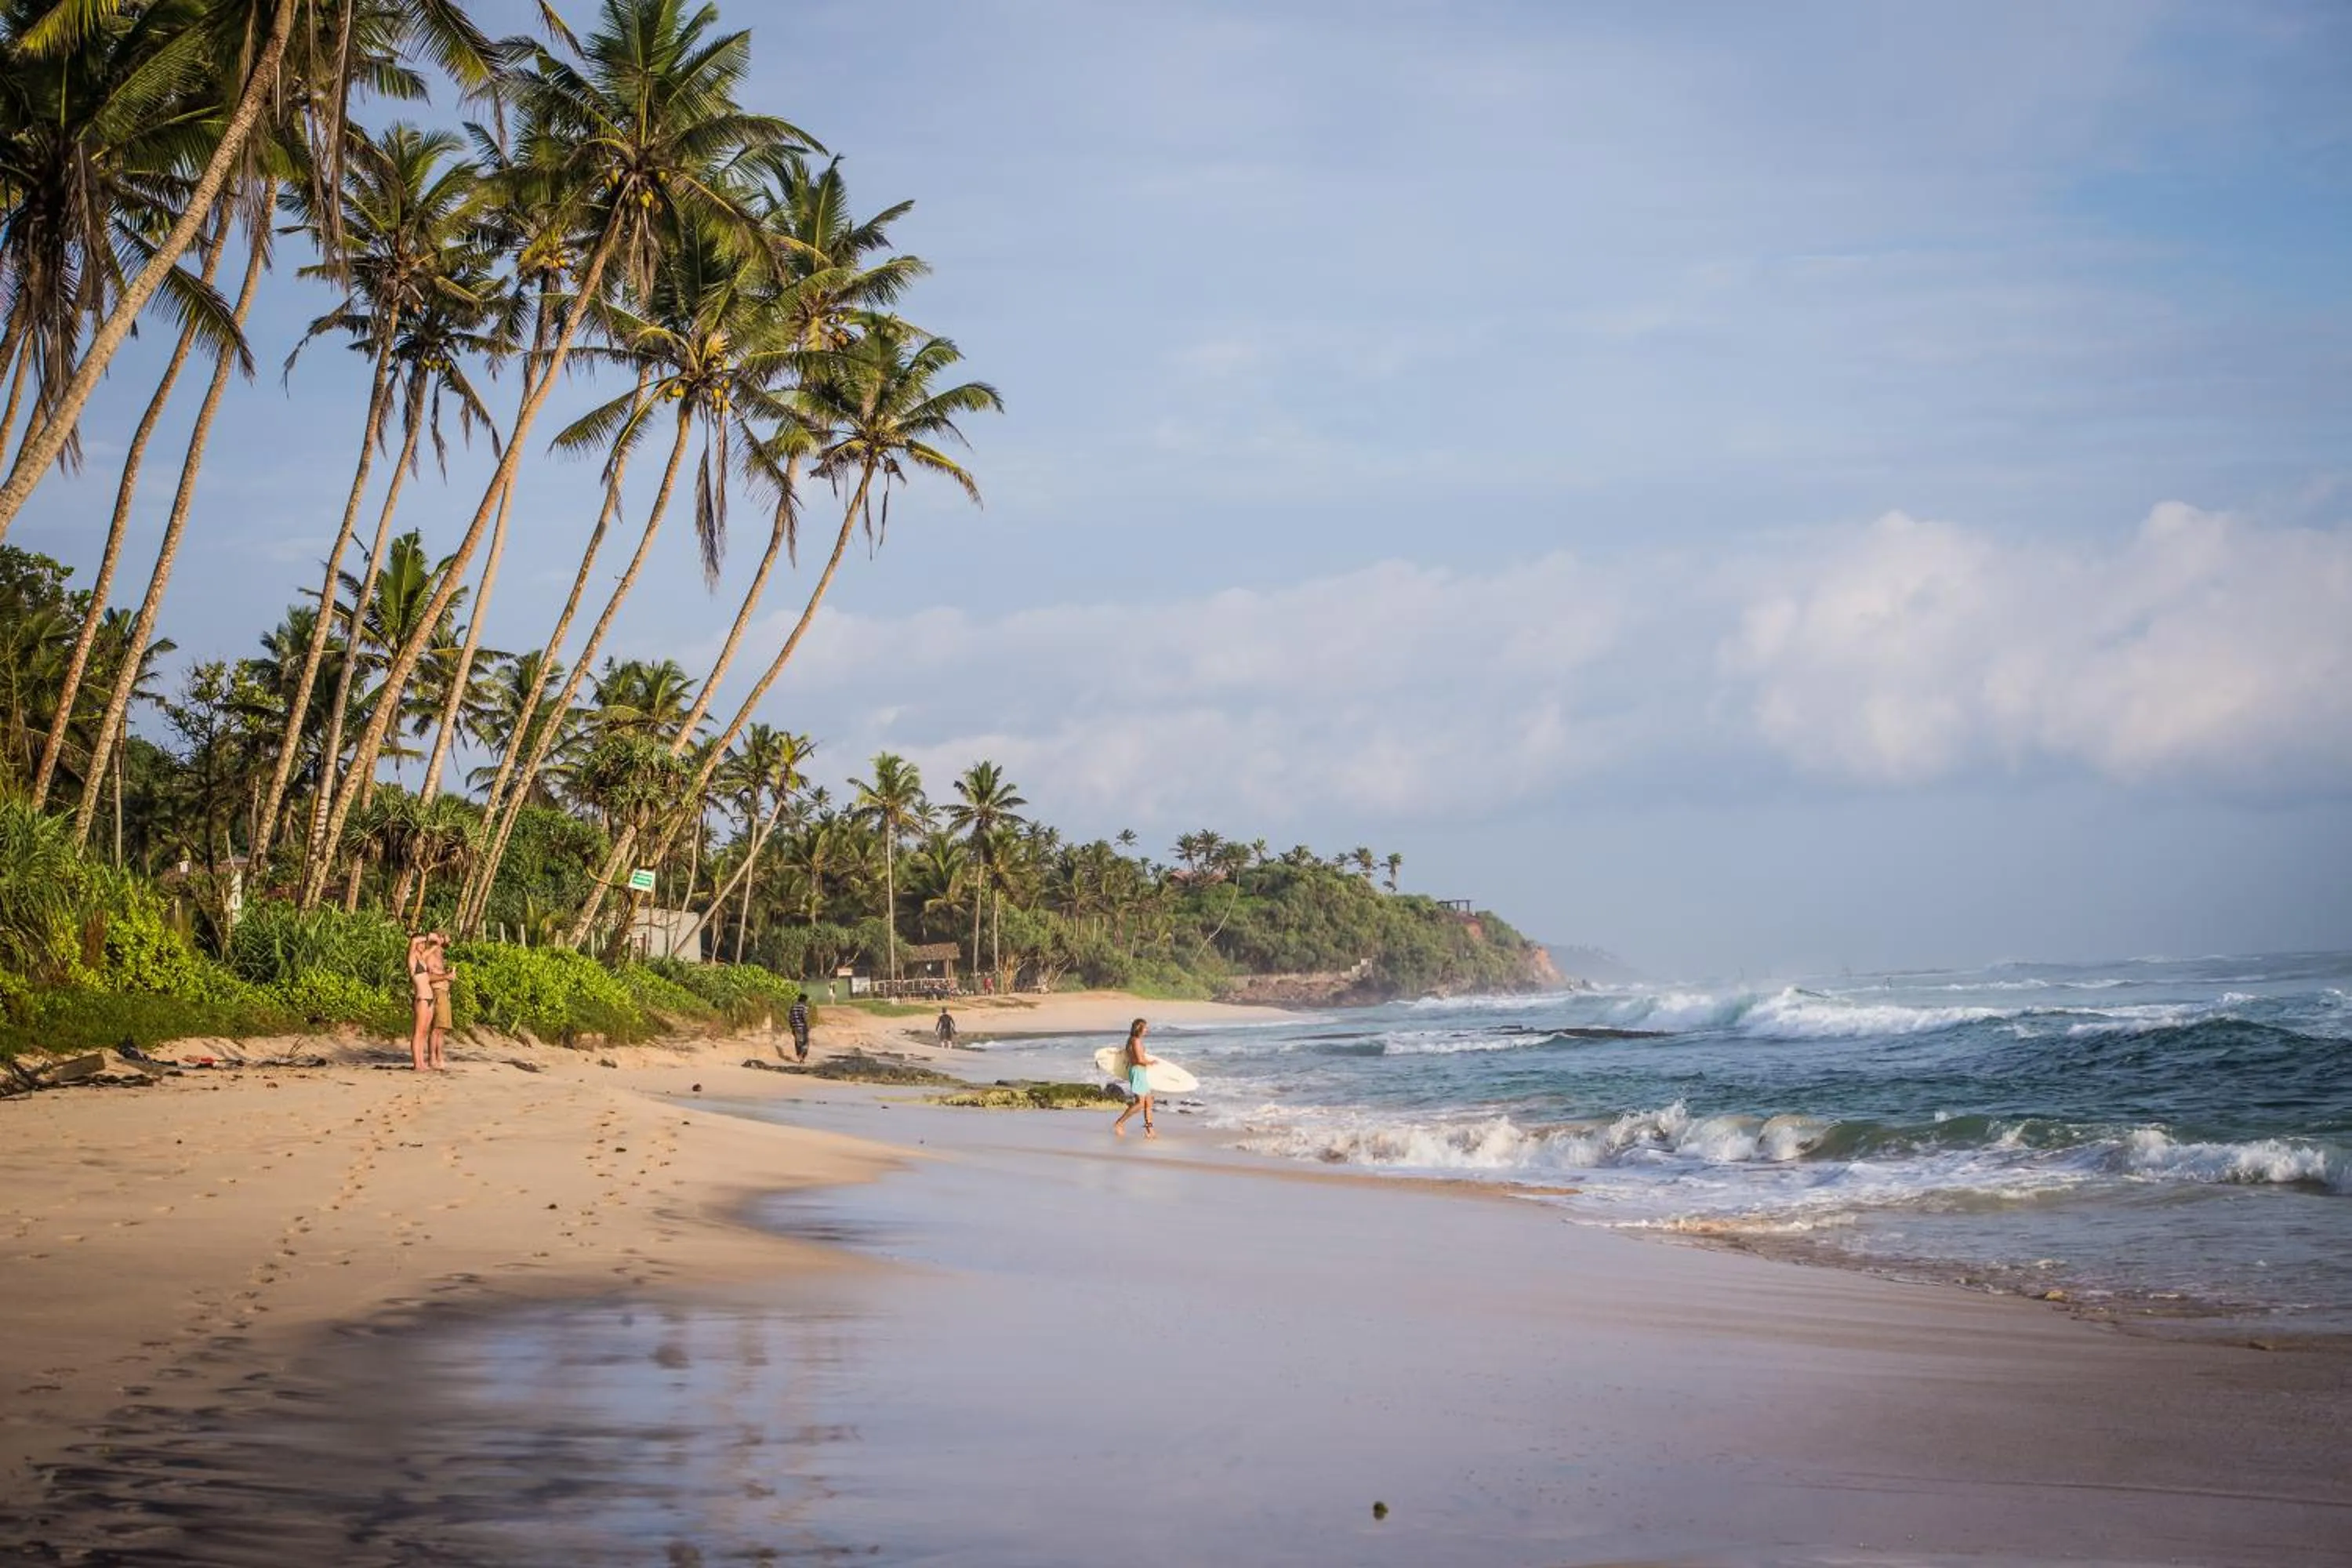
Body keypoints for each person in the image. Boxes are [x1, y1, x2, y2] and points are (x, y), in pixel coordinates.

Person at [1110, 1018, 1157, 1139]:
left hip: (1139, 1071)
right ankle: (1119, 1123)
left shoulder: (1132, 1040)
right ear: (1139, 1028)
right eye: (1145, 1027)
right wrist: (1151, 1063)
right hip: (1138, 1072)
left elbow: (1129, 1055)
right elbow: (1139, 1060)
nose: (1147, 1030)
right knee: (1140, 1103)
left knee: (1148, 1102)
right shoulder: (1136, 1041)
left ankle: (1150, 1129)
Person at [406, 932, 437, 1072]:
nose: (424, 945)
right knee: (418, 1032)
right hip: (422, 998)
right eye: (422, 943)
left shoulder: (422, 958)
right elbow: (414, 940)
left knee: (424, 1032)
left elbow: (435, 947)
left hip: (430, 998)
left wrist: (438, 942)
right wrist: (430, 936)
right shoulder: (412, 958)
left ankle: (422, 1061)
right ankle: (417, 1063)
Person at [424, 932, 453, 1070]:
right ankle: (432, 1058)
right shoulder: (431, 955)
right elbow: (428, 976)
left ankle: (439, 1056)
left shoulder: (440, 955)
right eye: (446, 936)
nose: (449, 939)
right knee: (436, 1028)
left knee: (442, 1029)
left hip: (444, 992)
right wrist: (446, 976)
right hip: (437, 991)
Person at [787, 994, 811, 1062]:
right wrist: (807, 1026)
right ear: (804, 1000)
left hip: (795, 1027)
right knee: (805, 1041)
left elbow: (790, 1017)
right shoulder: (804, 1007)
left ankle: (799, 1055)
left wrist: (792, 1026)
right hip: (803, 1027)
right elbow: (805, 1017)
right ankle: (803, 1055)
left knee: (798, 1041)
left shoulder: (793, 1007)